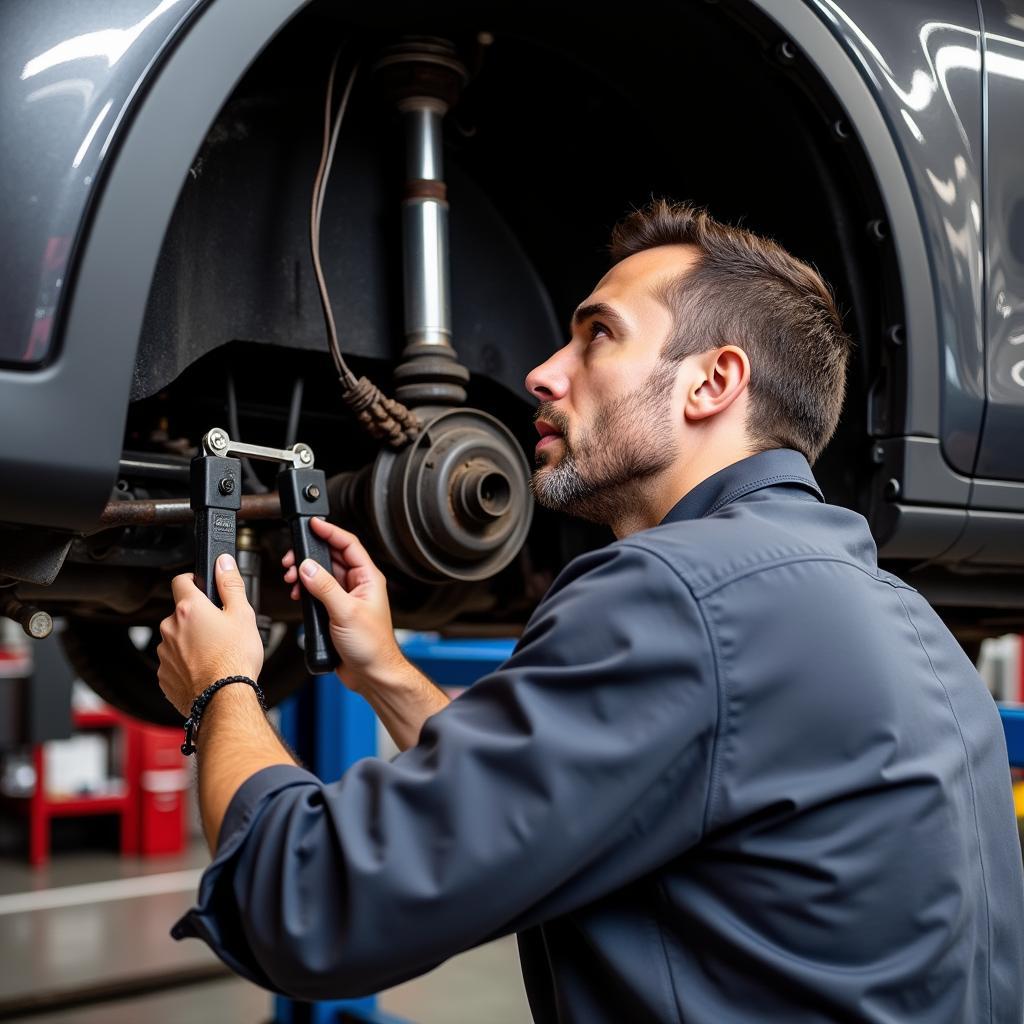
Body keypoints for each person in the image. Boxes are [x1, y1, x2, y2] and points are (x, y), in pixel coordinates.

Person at [158, 200, 1024, 1022]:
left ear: (712, 382)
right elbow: (572, 798)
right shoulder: (900, 619)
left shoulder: (675, 594)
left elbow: (308, 903)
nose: (540, 373)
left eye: (597, 335)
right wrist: (385, 671)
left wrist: (223, 682)